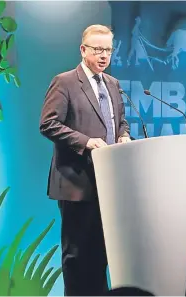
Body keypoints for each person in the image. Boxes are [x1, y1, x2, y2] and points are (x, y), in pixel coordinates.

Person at [39, 24, 131, 296]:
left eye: (108, 50)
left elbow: (120, 122)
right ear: (83, 50)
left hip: (109, 183)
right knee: (78, 257)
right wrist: (85, 142)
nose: (104, 56)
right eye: (98, 49)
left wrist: (124, 135)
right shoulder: (65, 82)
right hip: (77, 183)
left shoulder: (113, 84)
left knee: (102, 255)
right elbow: (48, 124)